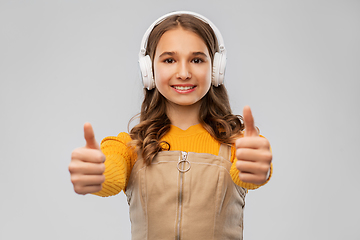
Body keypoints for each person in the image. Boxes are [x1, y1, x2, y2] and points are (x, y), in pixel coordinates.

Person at [69, 11, 273, 240]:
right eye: (169, 60)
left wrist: (256, 168)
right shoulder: (129, 146)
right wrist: (98, 175)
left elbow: (249, 174)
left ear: (216, 69)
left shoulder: (241, 145)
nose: (184, 73)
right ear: (149, 70)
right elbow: (111, 174)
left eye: (197, 60)